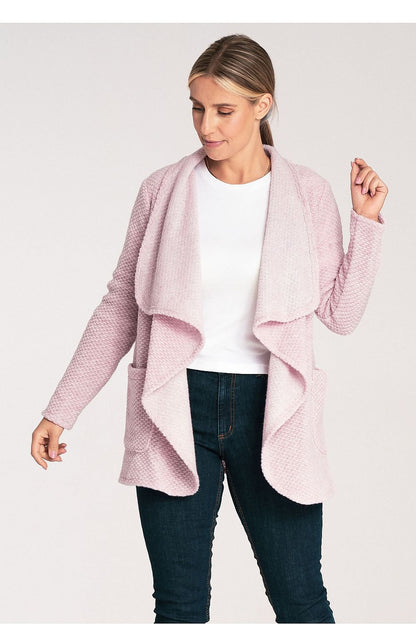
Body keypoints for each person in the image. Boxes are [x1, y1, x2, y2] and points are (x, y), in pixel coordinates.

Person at [31, 33, 388, 623]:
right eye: (197, 108)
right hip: (174, 403)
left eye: (224, 110)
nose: (206, 125)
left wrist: (366, 224)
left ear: (262, 105)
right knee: (178, 607)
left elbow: (340, 315)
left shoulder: (307, 194)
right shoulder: (162, 190)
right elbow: (121, 306)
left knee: (301, 599)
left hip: (273, 409)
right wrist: (61, 409)